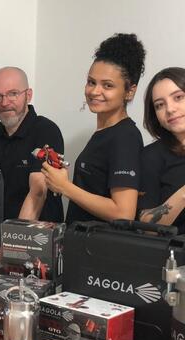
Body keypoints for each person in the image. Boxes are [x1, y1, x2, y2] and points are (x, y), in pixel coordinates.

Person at [42, 33, 146, 224]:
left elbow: (123, 213)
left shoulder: (125, 137)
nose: (95, 91)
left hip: (102, 243)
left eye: (107, 85)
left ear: (130, 91)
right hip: (79, 240)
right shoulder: (105, 132)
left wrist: (65, 187)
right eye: (91, 82)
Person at [0, 66, 64, 223]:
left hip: (35, 233)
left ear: (28, 95)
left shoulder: (46, 130)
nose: (4, 102)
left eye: (13, 94)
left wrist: (15, 236)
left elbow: (38, 192)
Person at [138, 67, 185, 233]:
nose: (170, 109)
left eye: (178, 97)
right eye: (159, 105)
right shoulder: (151, 156)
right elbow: (146, 226)